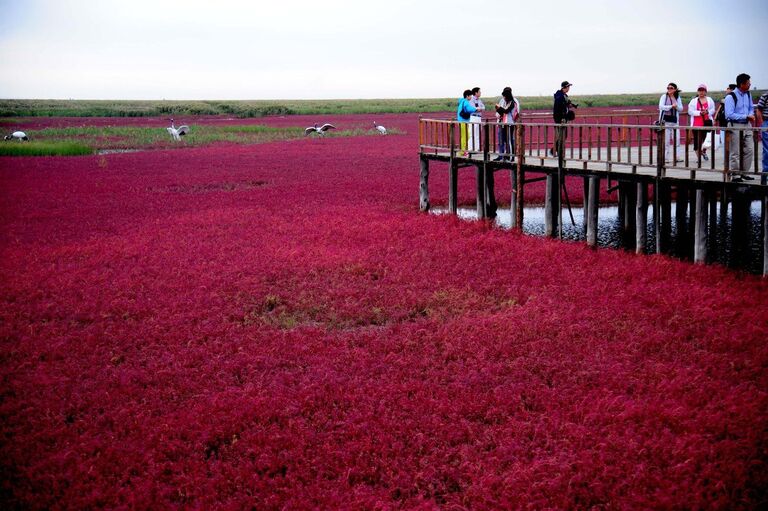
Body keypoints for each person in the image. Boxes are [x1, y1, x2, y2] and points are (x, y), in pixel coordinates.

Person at [724, 73, 755, 182]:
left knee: (749, 149)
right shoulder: (730, 97)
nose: (750, 84)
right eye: (748, 83)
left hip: (747, 124)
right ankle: (735, 174)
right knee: (735, 150)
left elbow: (751, 107)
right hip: (735, 125)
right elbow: (729, 114)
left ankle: (744, 172)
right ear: (741, 84)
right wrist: (746, 116)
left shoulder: (748, 94)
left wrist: (750, 114)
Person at [687, 84, 715, 161]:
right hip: (696, 124)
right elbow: (690, 111)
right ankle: (698, 158)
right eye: (700, 90)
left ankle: (703, 151)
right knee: (697, 141)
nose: (701, 92)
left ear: (705, 91)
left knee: (706, 140)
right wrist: (699, 113)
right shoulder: (693, 101)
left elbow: (713, 109)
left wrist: (707, 112)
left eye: (703, 90)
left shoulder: (709, 100)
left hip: (707, 123)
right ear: (697, 91)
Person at [549, 81, 576, 157]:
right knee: (563, 136)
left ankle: (556, 151)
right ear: (564, 87)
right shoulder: (560, 96)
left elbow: (564, 106)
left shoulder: (563, 95)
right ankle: (554, 150)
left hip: (562, 119)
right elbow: (559, 108)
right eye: (568, 87)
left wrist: (569, 106)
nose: (569, 88)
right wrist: (563, 116)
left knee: (563, 136)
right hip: (560, 119)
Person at [658, 82, 683, 164]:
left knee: (677, 140)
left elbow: (681, 109)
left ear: (675, 89)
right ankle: (665, 158)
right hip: (665, 122)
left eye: (671, 88)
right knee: (666, 141)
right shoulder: (664, 96)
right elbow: (661, 106)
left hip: (675, 122)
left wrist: (676, 106)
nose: (669, 89)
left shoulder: (677, 97)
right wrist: (671, 106)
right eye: (668, 88)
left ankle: (677, 157)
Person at [494, 87, 520, 161]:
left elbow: (506, 111)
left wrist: (499, 108)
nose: (503, 97)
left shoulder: (513, 102)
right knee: (501, 140)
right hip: (502, 123)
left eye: (504, 96)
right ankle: (502, 155)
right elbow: (502, 112)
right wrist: (498, 111)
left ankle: (511, 156)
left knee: (509, 140)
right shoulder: (503, 101)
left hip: (509, 123)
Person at [457, 89, 478, 155]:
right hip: (463, 121)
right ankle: (462, 152)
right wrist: (476, 109)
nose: (471, 97)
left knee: (466, 136)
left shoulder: (462, 101)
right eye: (470, 96)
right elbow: (469, 109)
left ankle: (463, 150)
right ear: (467, 96)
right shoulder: (465, 102)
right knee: (465, 136)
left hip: (462, 121)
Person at [468, 87, 485, 153]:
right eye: (479, 91)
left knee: (477, 133)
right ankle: (470, 149)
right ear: (476, 93)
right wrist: (478, 109)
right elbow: (473, 108)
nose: (480, 93)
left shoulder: (479, 100)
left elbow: (483, 107)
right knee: (472, 133)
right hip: (473, 117)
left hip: (479, 118)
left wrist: (478, 109)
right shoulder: (471, 99)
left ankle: (476, 149)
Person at [756, 89, 768, 184]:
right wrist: (762, 124)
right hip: (766, 122)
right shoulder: (765, 96)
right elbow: (758, 110)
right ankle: (765, 173)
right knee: (767, 149)